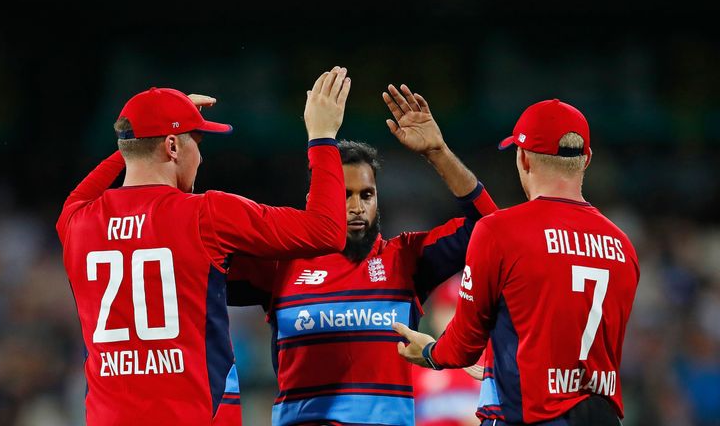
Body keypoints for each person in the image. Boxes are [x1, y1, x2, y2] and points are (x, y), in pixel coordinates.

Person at [55, 66, 351, 426]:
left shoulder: (76, 223)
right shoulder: (206, 213)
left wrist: (137, 141)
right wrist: (322, 136)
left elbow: (81, 193)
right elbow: (327, 231)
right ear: (174, 146)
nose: (202, 156)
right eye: (198, 141)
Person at [226, 84, 498, 425]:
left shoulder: (405, 260)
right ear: (320, 196)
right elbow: (195, 267)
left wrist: (438, 152)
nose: (356, 207)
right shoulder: (280, 264)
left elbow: (489, 228)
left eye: (366, 195)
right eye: (344, 194)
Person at [394, 99, 640, 426]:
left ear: (522, 158)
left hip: (524, 416)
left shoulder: (500, 232)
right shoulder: (623, 246)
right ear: (587, 160)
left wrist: (429, 353)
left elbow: (462, 347)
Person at [412, 276, 484, 426]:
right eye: (448, 310)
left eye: (461, 312)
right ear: (434, 317)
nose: (454, 320)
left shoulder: (492, 365)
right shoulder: (415, 366)